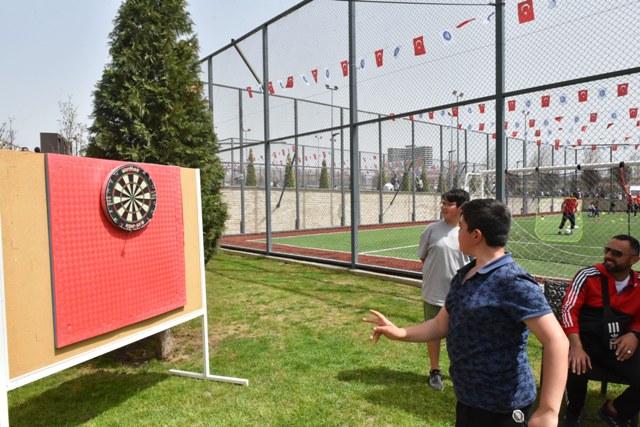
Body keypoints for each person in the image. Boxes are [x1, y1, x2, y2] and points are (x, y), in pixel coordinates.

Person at [364, 199, 569, 427]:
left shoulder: (513, 282)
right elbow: (440, 324)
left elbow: (557, 341)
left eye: (461, 227)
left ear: (476, 235)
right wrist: (400, 332)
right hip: (468, 398)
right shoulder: (464, 275)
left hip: (503, 406)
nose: (457, 232)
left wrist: (548, 411)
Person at [560, 234, 640, 427]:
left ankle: (614, 411)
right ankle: (574, 411)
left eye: (617, 253)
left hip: (618, 345)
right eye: (607, 250)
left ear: (634, 260)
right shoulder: (588, 275)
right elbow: (568, 310)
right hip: (585, 342)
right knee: (576, 365)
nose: (609, 256)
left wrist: (635, 334)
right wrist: (576, 346)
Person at [416, 188, 470, 391]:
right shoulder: (431, 230)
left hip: (459, 295)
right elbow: (423, 257)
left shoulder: (469, 231)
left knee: (459, 335)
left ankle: (460, 370)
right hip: (434, 292)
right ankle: (434, 370)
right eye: (443, 203)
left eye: (449, 204)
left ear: (462, 208)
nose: (444, 207)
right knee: (433, 333)